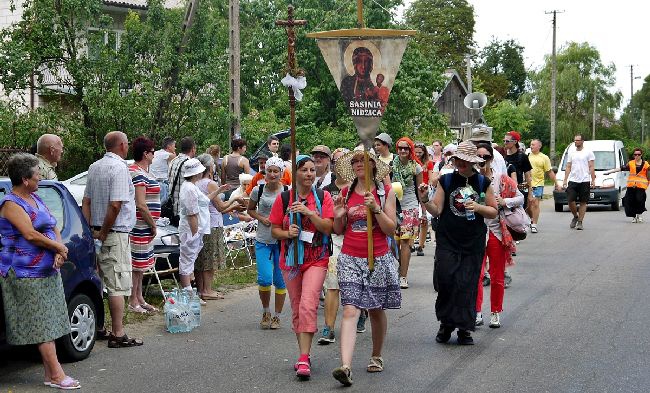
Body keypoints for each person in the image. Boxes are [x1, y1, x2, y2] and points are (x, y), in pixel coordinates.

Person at [0, 153, 81, 390]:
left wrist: (59, 251)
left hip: (47, 270)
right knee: (41, 322)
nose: (40, 177)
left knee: (52, 319)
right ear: (25, 179)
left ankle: (50, 373)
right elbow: (30, 234)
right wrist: (58, 246)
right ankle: (56, 374)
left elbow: (52, 226)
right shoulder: (11, 204)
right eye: (37, 174)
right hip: (24, 272)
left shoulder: (37, 198)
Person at [330, 149, 399, 386]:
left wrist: (376, 209)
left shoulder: (385, 192)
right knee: (350, 309)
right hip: (350, 256)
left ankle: (376, 355)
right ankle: (346, 366)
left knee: (377, 310)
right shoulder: (346, 192)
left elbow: (391, 230)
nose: (359, 164)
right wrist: (338, 215)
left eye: (363, 160)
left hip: (377, 258)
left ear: (373, 165)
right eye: (355, 161)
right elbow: (338, 230)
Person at [419, 141, 497, 345]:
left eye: (465, 161)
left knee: (467, 284)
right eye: (458, 160)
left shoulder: (482, 182)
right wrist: (425, 199)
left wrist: (478, 207)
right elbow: (436, 209)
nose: (461, 164)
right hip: (447, 240)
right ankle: (445, 324)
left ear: (473, 163)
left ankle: (464, 329)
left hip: (472, 242)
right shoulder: (446, 181)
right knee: (446, 281)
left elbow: (493, 210)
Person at [269, 155, 334, 380]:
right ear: (295, 173)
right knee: (297, 307)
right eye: (304, 170)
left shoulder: (323, 197)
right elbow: (274, 229)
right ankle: (303, 354)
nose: (308, 174)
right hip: (291, 260)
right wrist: (287, 233)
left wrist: (308, 213)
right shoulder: (285, 198)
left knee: (308, 304)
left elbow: (328, 227)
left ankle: (304, 357)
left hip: (317, 258)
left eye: (312, 170)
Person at [82, 131, 142, 348]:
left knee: (98, 281)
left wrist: (89, 230)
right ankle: (118, 332)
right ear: (123, 146)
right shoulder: (119, 168)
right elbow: (115, 205)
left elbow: (86, 202)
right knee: (117, 284)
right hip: (113, 233)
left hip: (95, 230)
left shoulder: (94, 167)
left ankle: (99, 326)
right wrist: (105, 232)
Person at [473, 144, 524, 329]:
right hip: (476, 233)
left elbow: (520, 197)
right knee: (476, 275)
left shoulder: (501, 180)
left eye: (485, 157)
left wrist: (505, 201)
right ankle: (477, 312)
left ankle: (495, 312)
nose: (481, 161)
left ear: (491, 159)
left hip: (496, 232)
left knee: (496, 276)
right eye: (477, 157)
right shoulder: (469, 179)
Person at [247, 157, 288, 329]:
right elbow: (250, 210)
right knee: (264, 279)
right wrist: (262, 218)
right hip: (263, 239)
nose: (272, 174)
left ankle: (277, 316)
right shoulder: (258, 189)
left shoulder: (287, 191)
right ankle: (266, 311)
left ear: (281, 173)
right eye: (269, 171)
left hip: (281, 241)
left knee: (280, 281)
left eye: (275, 171)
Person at [317, 148, 351, 345]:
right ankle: (328, 327)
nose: (341, 165)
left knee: (356, 285)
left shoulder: (358, 189)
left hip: (356, 240)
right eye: (337, 162)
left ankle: (361, 313)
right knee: (332, 284)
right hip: (334, 240)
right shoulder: (326, 191)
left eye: (344, 161)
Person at [178, 158, 225, 293]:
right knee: (187, 261)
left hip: (197, 228)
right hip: (191, 230)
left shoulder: (191, 187)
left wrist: (219, 190)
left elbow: (205, 200)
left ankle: (189, 291)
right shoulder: (189, 189)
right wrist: (195, 234)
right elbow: (192, 213)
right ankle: (188, 291)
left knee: (190, 260)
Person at [195, 154, 237, 300]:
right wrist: (235, 200)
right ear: (209, 166)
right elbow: (220, 207)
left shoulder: (195, 182)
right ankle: (208, 289)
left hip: (200, 223)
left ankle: (201, 289)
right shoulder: (210, 183)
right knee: (210, 259)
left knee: (200, 259)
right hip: (212, 223)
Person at [127, 137, 161, 314]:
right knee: (137, 264)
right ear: (145, 153)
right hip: (140, 225)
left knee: (141, 265)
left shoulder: (145, 171)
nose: (154, 155)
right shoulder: (136, 172)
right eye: (153, 152)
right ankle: (133, 299)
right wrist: (152, 224)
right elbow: (140, 203)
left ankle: (139, 297)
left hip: (146, 226)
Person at [392, 137, 423, 289]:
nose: (403, 151)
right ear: (397, 149)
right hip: (394, 206)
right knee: (394, 242)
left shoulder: (416, 167)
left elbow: (420, 190)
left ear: (410, 150)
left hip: (410, 206)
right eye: (400, 148)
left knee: (405, 241)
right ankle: (394, 272)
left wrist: (424, 211)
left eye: (406, 148)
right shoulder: (391, 166)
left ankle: (403, 276)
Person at [604, 147, 650, 222]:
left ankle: (639, 214)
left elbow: (648, 175)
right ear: (633, 155)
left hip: (641, 186)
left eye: (638, 154)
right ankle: (634, 217)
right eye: (635, 154)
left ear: (641, 155)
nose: (637, 156)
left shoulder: (646, 165)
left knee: (639, 200)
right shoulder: (631, 163)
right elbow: (621, 168)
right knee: (631, 201)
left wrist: (647, 183)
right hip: (631, 185)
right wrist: (609, 172)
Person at [562, 134, 595, 230]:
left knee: (583, 202)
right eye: (574, 140)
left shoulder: (588, 152)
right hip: (573, 180)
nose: (575, 142)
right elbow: (568, 166)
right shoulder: (571, 152)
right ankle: (575, 216)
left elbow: (591, 166)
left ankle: (580, 221)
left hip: (584, 180)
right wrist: (565, 179)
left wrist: (593, 180)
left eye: (577, 140)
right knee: (570, 200)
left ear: (582, 141)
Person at [528, 139, 559, 233]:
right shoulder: (527, 156)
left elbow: (549, 171)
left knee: (535, 204)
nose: (531, 146)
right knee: (528, 205)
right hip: (527, 184)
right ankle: (530, 219)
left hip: (538, 184)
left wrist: (556, 183)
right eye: (530, 144)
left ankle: (534, 224)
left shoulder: (544, 157)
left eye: (533, 144)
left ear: (539, 146)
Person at [503, 131, 533, 210]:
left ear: (515, 142)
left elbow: (528, 177)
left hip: (519, 190)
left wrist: (530, 194)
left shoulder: (522, 156)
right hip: (504, 190)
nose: (505, 143)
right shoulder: (502, 155)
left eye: (507, 141)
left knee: (518, 214)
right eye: (504, 141)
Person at [168, 137, 196, 219]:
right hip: (184, 209)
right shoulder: (189, 163)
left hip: (173, 206)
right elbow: (193, 187)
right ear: (193, 149)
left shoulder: (174, 160)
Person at [414, 142, 434, 257]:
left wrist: (428, 186)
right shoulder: (412, 162)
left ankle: (421, 245)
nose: (417, 155)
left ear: (424, 152)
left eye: (420, 153)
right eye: (416, 152)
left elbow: (430, 178)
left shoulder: (429, 163)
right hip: (413, 191)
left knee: (424, 219)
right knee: (414, 217)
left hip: (424, 190)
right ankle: (412, 241)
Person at [150, 136, 176, 205]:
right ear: (169, 146)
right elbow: (175, 158)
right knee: (162, 208)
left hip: (152, 183)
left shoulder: (156, 153)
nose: (175, 148)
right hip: (162, 184)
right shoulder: (167, 154)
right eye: (174, 146)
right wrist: (174, 153)